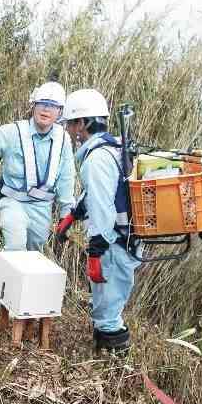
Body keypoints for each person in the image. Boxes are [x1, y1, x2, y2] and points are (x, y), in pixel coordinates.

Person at [59, 88, 141, 353]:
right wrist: (73, 215)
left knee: (107, 313)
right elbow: (97, 194)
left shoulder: (96, 159)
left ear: (82, 124)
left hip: (114, 243)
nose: (70, 131)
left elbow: (103, 210)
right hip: (124, 240)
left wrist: (96, 251)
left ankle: (114, 370)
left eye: (71, 124)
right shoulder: (113, 148)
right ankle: (105, 360)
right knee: (107, 306)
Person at [0, 81, 76, 252]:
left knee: (34, 255)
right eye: (42, 104)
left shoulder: (63, 140)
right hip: (13, 202)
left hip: (42, 207)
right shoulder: (13, 131)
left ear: (60, 111)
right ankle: (7, 278)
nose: (46, 109)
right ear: (33, 106)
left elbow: (67, 178)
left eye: (52, 106)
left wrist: (65, 215)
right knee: (15, 247)